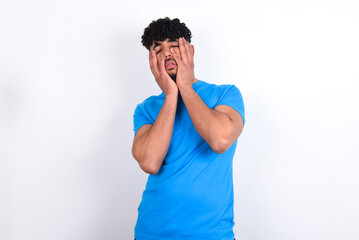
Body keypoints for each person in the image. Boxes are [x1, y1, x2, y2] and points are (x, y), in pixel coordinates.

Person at [132, 17, 245, 240]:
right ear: (151, 59)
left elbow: (220, 140)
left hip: (211, 234)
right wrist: (171, 95)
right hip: (152, 231)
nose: (167, 53)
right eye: (158, 49)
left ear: (189, 51)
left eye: (174, 46)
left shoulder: (225, 94)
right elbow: (149, 162)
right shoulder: (146, 109)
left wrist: (184, 86)